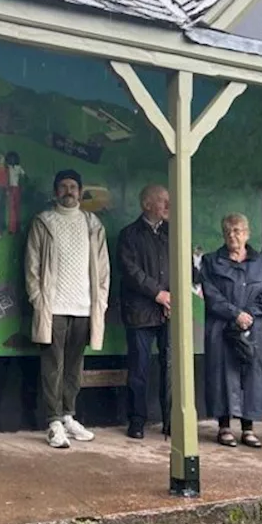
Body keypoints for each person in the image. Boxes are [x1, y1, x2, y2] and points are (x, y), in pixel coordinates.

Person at [25, 169, 110, 449]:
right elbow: (32, 266)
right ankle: (53, 422)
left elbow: (103, 270)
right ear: (55, 191)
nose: (68, 191)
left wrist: (101, 301)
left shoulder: (92, 223)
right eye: (63, 186)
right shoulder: (44, 222)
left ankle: (68, 416)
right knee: (53, 366)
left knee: (75, 367)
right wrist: (38, 300)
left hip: (84, 307)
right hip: (54, 307)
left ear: (80, 191)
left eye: (73, 186)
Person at [199, 214, 262, 449]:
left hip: (253, 327)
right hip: (221, 326)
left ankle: (248, 428)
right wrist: (235, 314)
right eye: (228, 231)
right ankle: (224, 427)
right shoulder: (211, 261)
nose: (233, 235)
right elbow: (210, 293)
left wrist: (249, 315)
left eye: (238, 230)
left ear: (247, 233)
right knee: (221, 374)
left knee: (252, 375)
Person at [116, 184, 172, 439]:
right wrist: (158, 294)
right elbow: (131, 272)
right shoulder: (129, 235)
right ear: (146, 205)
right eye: (162, 201)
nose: (168, 206)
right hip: (140, 312)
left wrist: (173, 298)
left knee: (170, 368)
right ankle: (137, 421)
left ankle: (171, 421)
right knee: (139, 368)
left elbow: (183, 268)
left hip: (169, 311)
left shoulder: (174, 233)